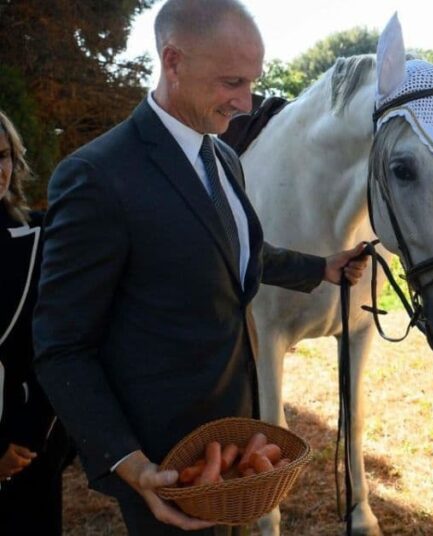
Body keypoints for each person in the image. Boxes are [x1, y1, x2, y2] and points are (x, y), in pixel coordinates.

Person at [32, 1, 368, 534]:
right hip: (166, 467)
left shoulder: (224, 156)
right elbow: (60, 347)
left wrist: (320, 267)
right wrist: (128, 462)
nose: (246, 101)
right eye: (231, 82)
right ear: (173, 61)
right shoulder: (96, 176)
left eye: (253, 81)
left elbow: (234, 253)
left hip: (236, 450)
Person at [0, 111, 74, 535]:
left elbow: (59, 343)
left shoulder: (44, 239)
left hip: (28, 442)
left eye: (5, 155)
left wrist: (23, 443)